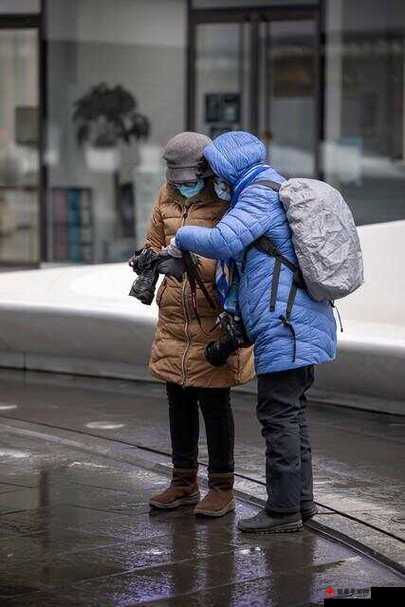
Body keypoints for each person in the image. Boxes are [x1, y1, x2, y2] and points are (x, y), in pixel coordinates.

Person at [174, 131, 337, 533]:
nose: (214, 181)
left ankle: (282, 512)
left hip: (286, 326)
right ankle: (300, 503)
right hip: (297, 324)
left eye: (216, 172)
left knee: (278, 416)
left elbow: (224, 241)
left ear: (230, 167)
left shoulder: (259, 194)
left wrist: (181, 235)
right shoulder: (266, 188)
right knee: (292, 415)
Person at [138, 131, 254, 518]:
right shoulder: (166, 195)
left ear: (206, 173)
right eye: (178, 180)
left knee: (214, 400)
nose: (183, 187)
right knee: (178, 397)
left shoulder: (226, 198)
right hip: (175, 313)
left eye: (190, 180)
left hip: (214, 311)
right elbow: (155, 241)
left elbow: (233, 252)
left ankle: (222, 486)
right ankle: (183, 481)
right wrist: (149, 262)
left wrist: (190, 261)